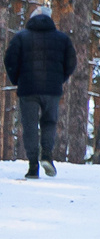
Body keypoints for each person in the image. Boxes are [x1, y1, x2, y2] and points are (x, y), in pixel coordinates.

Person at [6, 11, 77, 178]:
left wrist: (17, 79)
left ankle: (32, 166)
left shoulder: (20, 37)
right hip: (52, 89)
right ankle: (46, 154)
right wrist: (60, 79)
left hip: (28, 88)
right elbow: (71, 62)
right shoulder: (62, 39)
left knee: (30, 126)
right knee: (49, 122)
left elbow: (10, 60)